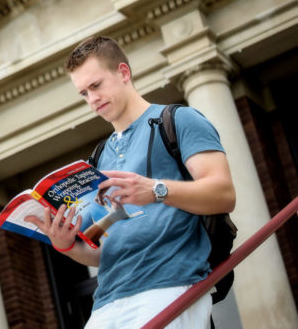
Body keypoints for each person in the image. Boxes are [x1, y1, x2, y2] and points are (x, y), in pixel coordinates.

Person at [25, 35, 236, 328]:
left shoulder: (179, 120)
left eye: (96, 86)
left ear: (123, 73)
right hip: (108, 300)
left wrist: (156, 190)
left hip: (169, 285)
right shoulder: (99, 159)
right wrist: (65, 246)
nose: (92, 99)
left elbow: (224, 193)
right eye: (84, 93)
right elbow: (103, 249)